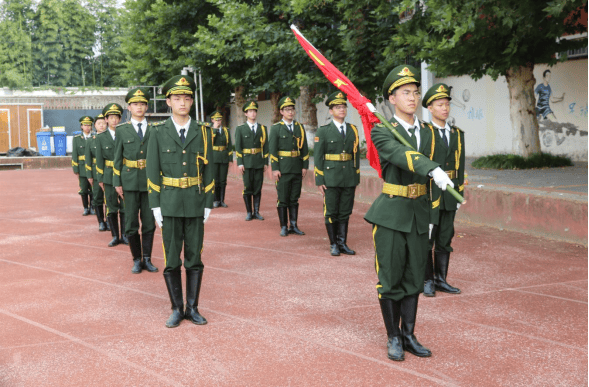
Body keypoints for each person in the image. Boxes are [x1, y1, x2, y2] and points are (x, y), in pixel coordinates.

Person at [364, 65, 453, 361]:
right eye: (405, 93)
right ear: (392, 98)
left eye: (415, 92)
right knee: (390, 277)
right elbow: (400, 156)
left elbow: (435, 183)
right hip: (391, 215)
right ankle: (393, 337)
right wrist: (431, 167)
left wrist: (432, 217)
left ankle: (409, 334)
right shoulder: (382, 131)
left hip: (419, 214)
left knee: (415, 277)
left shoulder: (429, 133)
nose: (412, 98)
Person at [146, 75, 214, 328]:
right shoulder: (158, 132)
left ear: (192, 102)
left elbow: (209, 169)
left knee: (194, 257)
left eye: (187, 98)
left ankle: (193, 308)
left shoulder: (203, 132)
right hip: (169, 203)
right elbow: (152, 170)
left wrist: (209, 201)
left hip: (195, 202)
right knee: (172, 258)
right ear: (168, 102)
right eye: (177, 98)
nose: (182, 102)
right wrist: (155, 205)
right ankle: (176, 308)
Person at [422, 83, 464, 297]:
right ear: (430, 108)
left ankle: (441, 279)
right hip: (431, 193)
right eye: (440, 105)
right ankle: (427, 280)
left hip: (450, 194)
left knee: (445, 237)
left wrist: (460, 193)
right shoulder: (424, 132)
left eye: (447, 104)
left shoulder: (457, 134)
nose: (445, 109)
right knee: (428, 238)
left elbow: (460, 165)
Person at [112, 88, 158, 274]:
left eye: (142, 104)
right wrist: (117, 182)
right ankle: (136, 259)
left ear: (147, 106)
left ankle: (147, 258)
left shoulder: (156, 128)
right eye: (135, 104)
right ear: (129, 107)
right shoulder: (122, 130)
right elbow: (117, 158)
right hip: (129, 182)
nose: (139, 107)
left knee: (149, 222)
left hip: (150, 181)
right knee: (131, 222)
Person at [314, 91, 360, 255]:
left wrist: (356, 176)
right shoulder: (323, 131)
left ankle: (342, 243)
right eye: (337, 107)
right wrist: (319, 179)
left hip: (348, 177)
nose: (341, 110)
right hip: (331, 177)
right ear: (330, 111)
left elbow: (356, 156)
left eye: (343, 107)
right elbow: (318, 157)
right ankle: (333, 243)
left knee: (345, 211)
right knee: (331, 211)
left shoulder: (353, 130)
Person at [269, 96, 309, 237]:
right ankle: (284, 226)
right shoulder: (276, 128)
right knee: (283, 198)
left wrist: (305, 166)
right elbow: (272, 150)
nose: (290, 112)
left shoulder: (300, 127)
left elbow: (304, 148)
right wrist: (275, 168)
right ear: (281, 112)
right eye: (287, 110)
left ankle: (294, 225)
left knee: (294, 198)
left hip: (297, 168)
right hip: (283, 169)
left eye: (292, 109)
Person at [96, 103, 128, 247]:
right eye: (111, 117)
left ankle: (126, 235)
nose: (114, 120)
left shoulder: (126, 133)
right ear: (106, 119)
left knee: (126, 206)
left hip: (125, 174)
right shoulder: (101, 137)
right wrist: (101, 179)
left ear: (120, 119)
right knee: (111, 205)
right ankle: (115, 235)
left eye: (116, 117)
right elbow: (99, 160)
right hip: (108, 176)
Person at [234, 101, 268, 221]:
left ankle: (257, 212)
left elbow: (266, 147)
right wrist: (240, 162)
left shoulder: (262, 128)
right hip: (247, 162)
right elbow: (238, 147)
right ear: (245, 113)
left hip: (259, 161)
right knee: (248, 187)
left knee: (258, 187)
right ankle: (249, 212)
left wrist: (265, 162)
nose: (253, 113)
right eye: (250, 111)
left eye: (254, 111)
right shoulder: (240, 129)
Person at [85, 114, 109, 232]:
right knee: (98, 198)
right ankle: (101, 221)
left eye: (103, 123)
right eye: (99, 124)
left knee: (110, 198)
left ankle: (110, 220)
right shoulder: (90, 141)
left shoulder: (112, 139)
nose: (101, 125)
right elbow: (88, 160)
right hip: (96, 174)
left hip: (109, 171)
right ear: (94, 126)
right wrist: (89, 175)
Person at [72, 116, 95, 216]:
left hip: (93, 167)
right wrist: (75, 169)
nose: (87, 127)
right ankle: (85, 207)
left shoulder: (95, 137)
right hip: (82, 168)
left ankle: (93, 207)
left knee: (94, 189)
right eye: (85, 125)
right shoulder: (77, 139)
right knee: (84, 189)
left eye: (89, 125)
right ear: (81, 126)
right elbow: (74, 154)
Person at [211, 110, 233, 208]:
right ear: (212, 120)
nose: (218, 122)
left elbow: (229, 145)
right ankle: (215, 200)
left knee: (223, 180)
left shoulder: (226, 130)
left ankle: (222, 200)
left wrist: (230, 159)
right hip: (214, 157)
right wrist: (215, 129)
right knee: (215, 179)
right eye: (216, 120)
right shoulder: (210, 130)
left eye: (220, 120)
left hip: (224, 157)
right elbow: (210, 142)